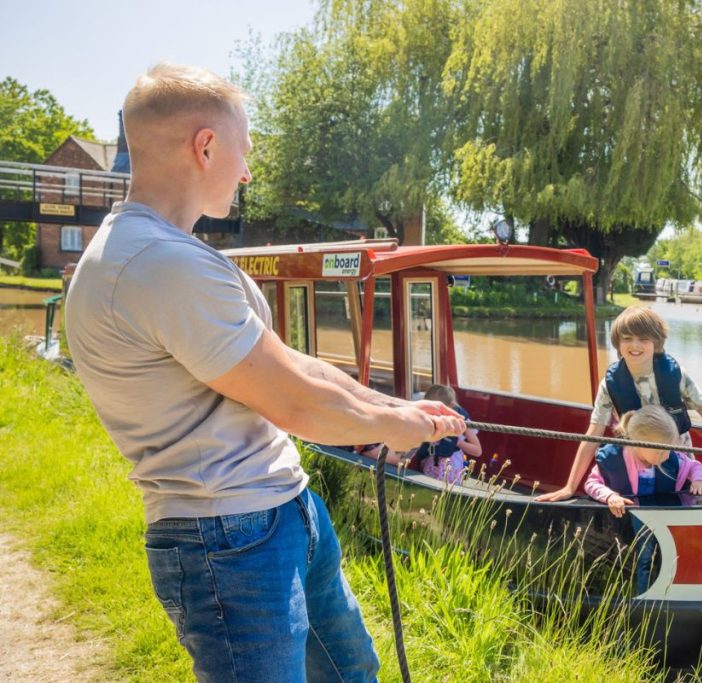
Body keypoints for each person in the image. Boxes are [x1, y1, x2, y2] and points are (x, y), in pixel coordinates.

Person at [64, 62, 464, 683]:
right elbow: (293, 404)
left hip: (277, 512)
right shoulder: (156, 263)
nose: (247, 170)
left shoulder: (166, 255)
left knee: (354, 673)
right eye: (243, 150)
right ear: (206, 146)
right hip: (227, 537)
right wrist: (393, 426)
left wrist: (399, 411)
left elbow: (288, 363)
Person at [536, 306, 702, 502]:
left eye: (644, 339)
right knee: (636, 499)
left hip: (676, 455)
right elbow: (593, 435)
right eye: (627, 339)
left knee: (681, 500)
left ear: (657, 343)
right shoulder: (609, 385)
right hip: (635, 456)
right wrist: (570, 487)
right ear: (618, 343)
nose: (635, 345)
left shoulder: (676, 375)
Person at [584, 406, 702, 592]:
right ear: (638, 443)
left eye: (668, 450)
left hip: (663, 521)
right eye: (660, 451)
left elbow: (694, 465)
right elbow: (591, 483)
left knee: (662, 557)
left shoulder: (669, 458)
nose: (665, 456)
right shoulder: (614, 458)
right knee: (642, 558)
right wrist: (609, 496)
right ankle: (642, 597)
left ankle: (667, 589)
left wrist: (699, 479)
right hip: (632, 525)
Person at [410, 384, 482, 483]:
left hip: (452, 467)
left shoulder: (461, 421)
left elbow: (477, 450)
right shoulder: (424, 418)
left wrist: (456, 442)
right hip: (430, 466)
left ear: (451, 407)